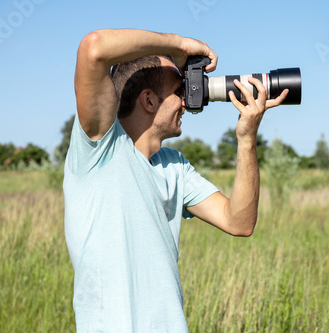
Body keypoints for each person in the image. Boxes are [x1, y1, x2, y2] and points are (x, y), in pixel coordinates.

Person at [63, 28, 288, 332]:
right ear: (149, 100)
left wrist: (246, 139)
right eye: (179, 91)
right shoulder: (100, 148)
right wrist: (181, 46)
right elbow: (93, 48)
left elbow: (239, 222)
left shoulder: (174, 167)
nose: (187, 101)